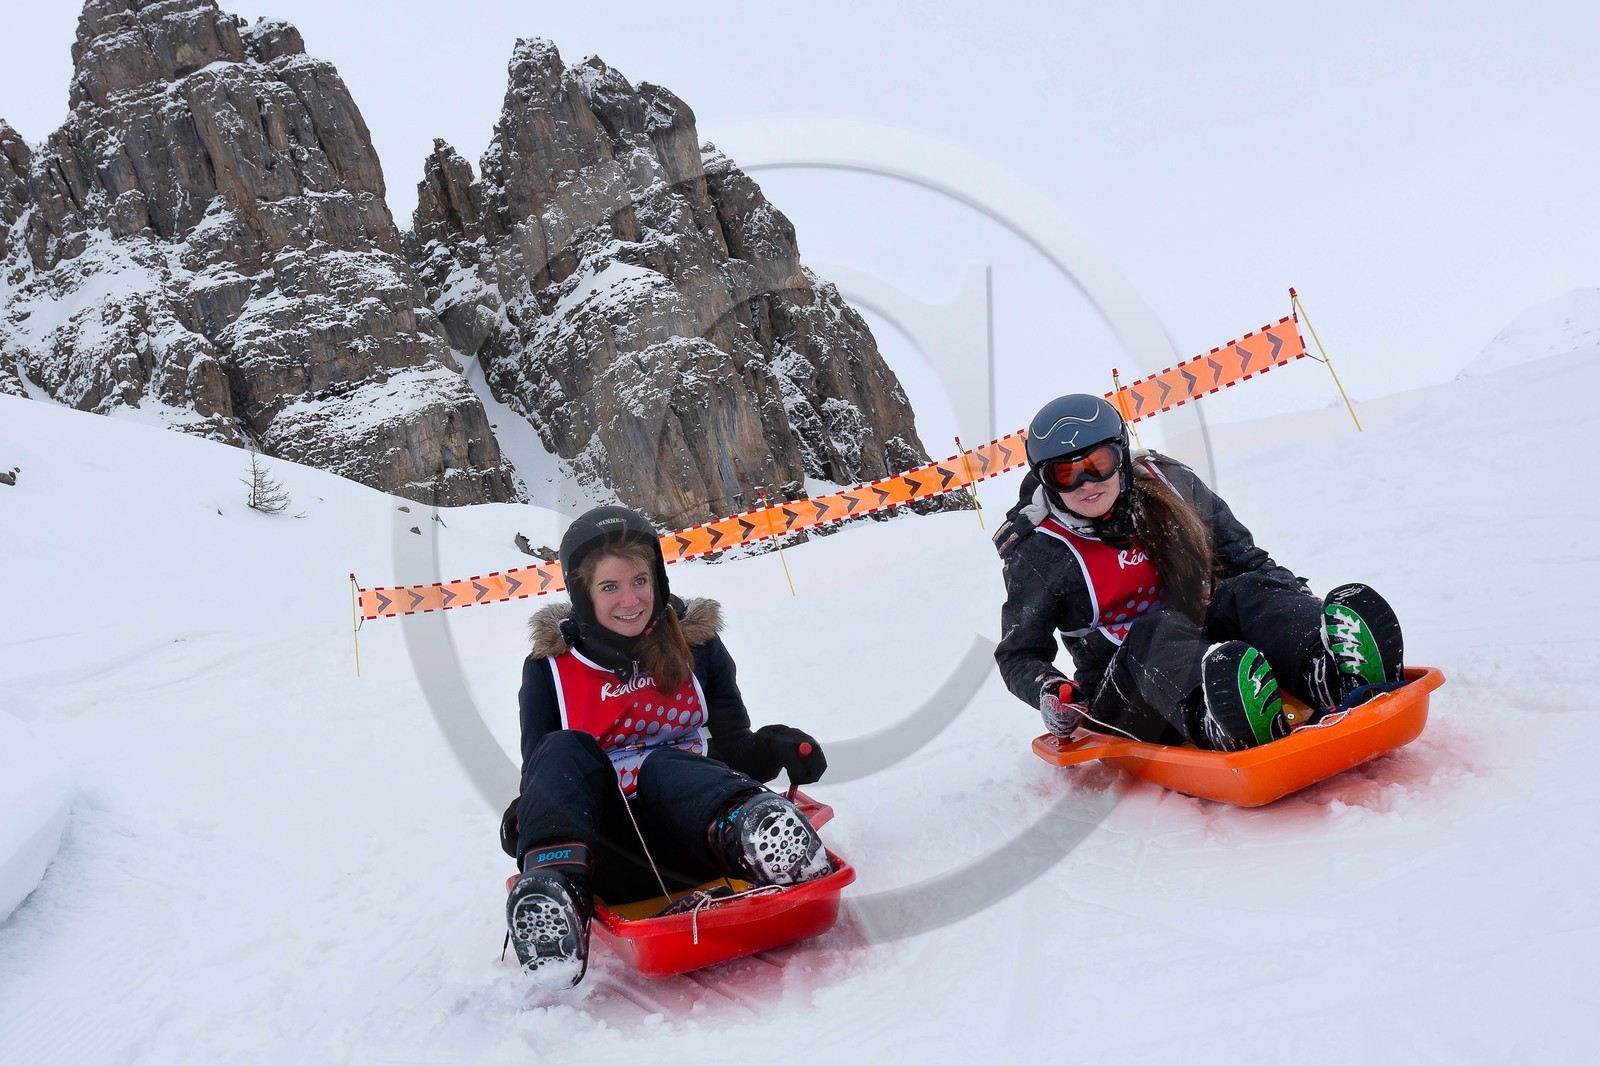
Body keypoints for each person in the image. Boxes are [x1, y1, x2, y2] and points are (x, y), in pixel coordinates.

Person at [501, 505, 831, 987]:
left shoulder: (696, 645)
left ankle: (759, 837)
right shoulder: (550, 670)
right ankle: (557, 896)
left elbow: (733, 744)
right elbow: (546, 771)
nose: (630, 599)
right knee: (564, 747)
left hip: (700, 836)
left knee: (664, 764)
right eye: (609, 587)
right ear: (582, 594)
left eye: (639, 580)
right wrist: (530, 817)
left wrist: (771, 749)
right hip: (610, 856)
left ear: (657, 578)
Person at [993, 393, 1405, 751]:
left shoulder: (1170, 484)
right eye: (1065, 474)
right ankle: (1219, 720)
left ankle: (1323, 669)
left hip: (1217, 653)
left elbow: (1245, 558)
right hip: (1128, 692)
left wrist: (1296, 601)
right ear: (1046, 482)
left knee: (1246, 589)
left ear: (1120, 454)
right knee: (1155, 630)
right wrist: (1049, 690)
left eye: (1098, 463)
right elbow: (1019, 652)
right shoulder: (1039, 550)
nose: (1086, 483)